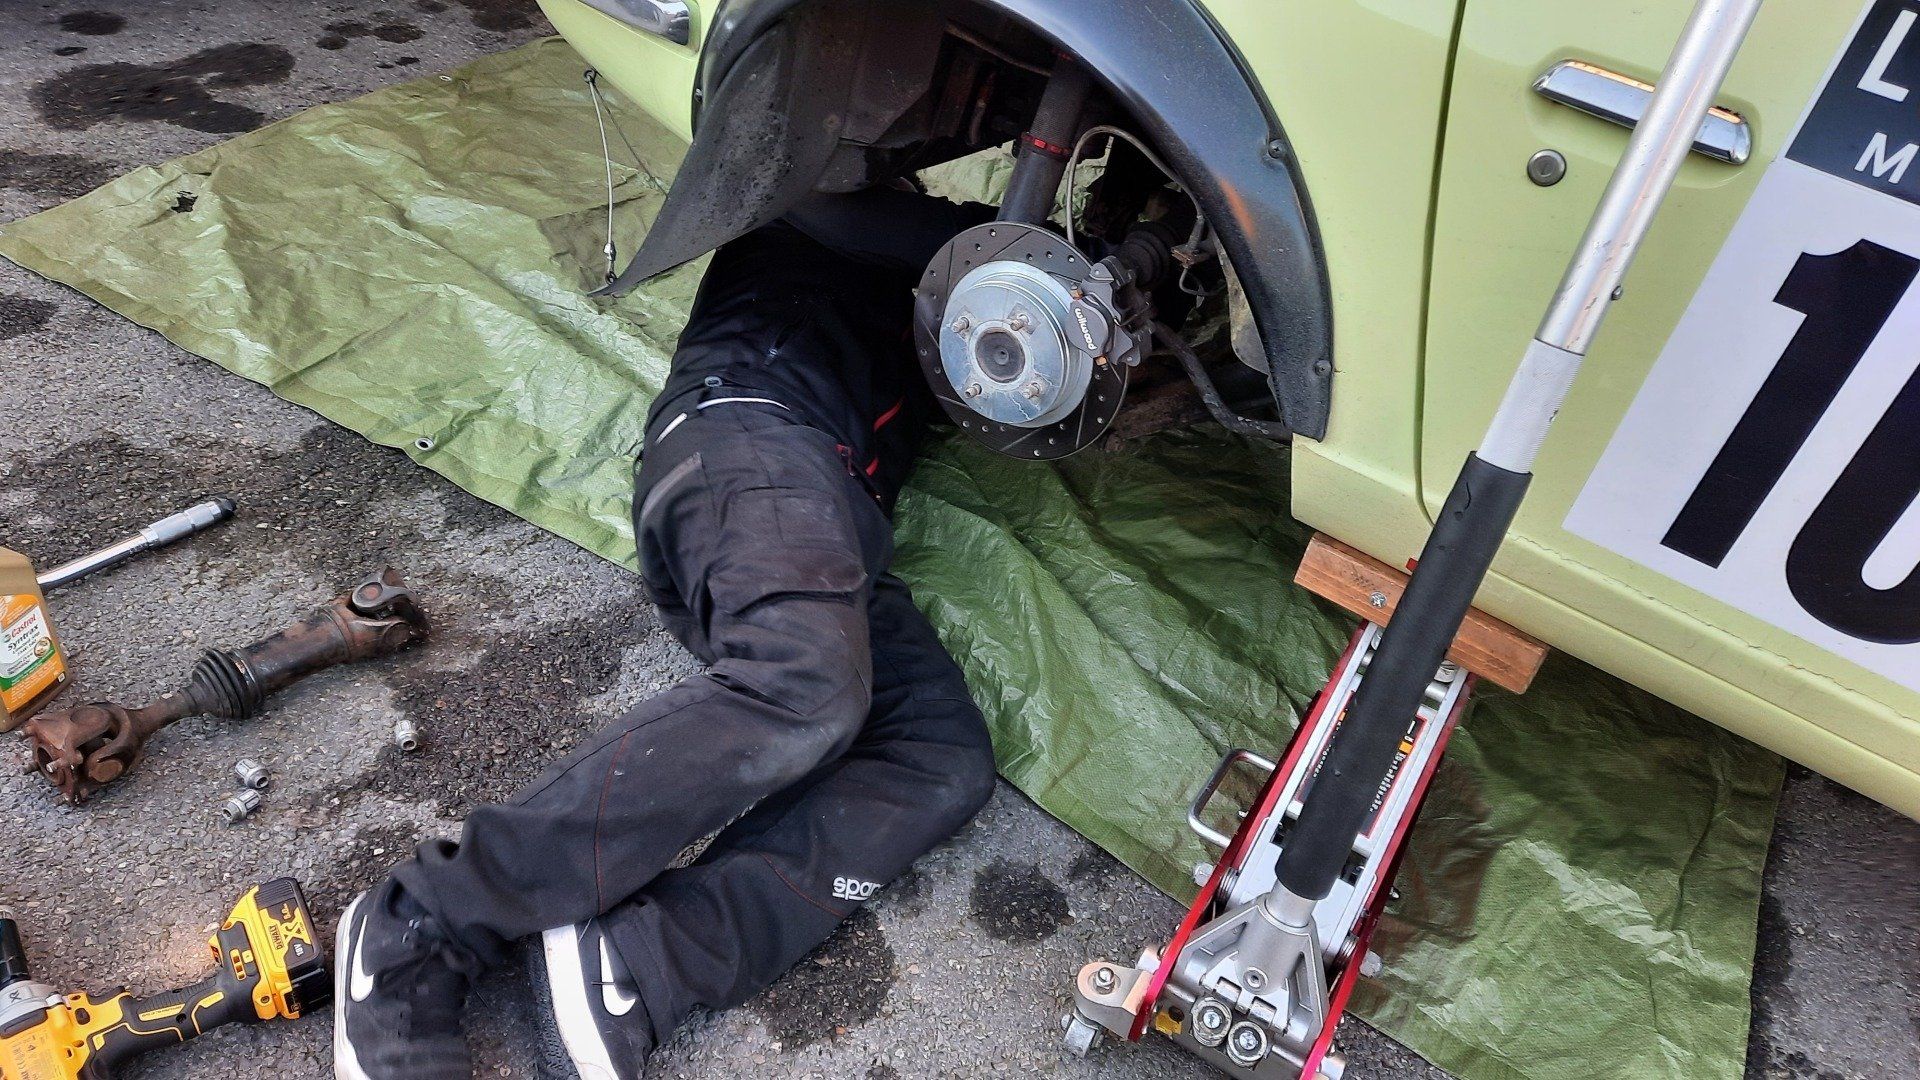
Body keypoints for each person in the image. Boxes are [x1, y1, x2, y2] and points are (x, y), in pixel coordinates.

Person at [332, 189, 1001, 1080]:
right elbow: (924, 233)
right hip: (749, 445)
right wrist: (1075, 261)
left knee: (940, 754)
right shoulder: (822, 191)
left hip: (835, 523)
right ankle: (426, 918)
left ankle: (641, 963)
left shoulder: (964, 286)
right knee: (806, 680)